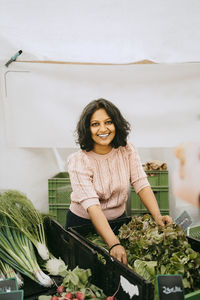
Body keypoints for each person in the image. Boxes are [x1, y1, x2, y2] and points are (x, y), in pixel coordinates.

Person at [66, 98, 173, 265]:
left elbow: (141, 183)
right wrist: (114, 243)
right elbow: (92, 206)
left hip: (119, 221)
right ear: (87, 128)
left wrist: (157, 215)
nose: (103, 129)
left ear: (116, 124)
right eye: (95, 124)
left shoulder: (127, 150)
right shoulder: (78, 161)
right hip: (83, 224)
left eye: (108, 122)